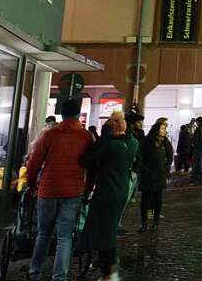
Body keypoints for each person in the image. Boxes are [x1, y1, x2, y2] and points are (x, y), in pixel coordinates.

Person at [26, 96, 94, 281]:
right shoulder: (87, 137)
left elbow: (34, 164)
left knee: (43, 233)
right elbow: (92, 167)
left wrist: (32, 184)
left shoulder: (50, 135)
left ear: (62, 114)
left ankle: (34, 272)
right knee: (65, 236)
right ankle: (59, 277)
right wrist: (87, 189)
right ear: (78, 114)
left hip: (48, 190)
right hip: (73, 191)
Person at [81, 111, 140, 281]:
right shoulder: (133, 143)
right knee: (110, 229)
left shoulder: (110, 145)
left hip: (106, 192)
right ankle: (108, 269)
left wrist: (98, 142)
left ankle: (110, 273)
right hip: (122, 191)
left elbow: (86, 160)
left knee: (107, 233)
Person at [138, 117, 174, 231]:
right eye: (163, 128)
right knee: (145, 200)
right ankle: (144, 222)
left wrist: (166, 168)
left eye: (165, 128)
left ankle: (155, 222)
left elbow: (170, 156)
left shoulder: (165, 143)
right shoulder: (147, 141)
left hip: (159, 175)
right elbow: (140, 157)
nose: (165, 131)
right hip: (148, 175)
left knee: (157, 199)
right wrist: (144, 169)